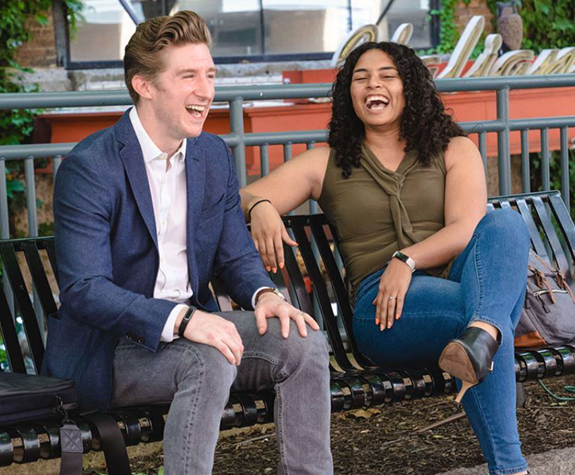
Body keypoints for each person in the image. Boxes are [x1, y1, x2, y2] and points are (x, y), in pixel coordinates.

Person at [42, 11, 333, 475]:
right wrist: (182, 320)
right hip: (111, 350)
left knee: (303, 340)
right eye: (188, 76)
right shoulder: (91, 167)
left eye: (210, 75)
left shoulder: (211, 154)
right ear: (145, 85)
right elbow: (85, 290)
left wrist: (265, 296)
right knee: (208, 359)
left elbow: (234, 253)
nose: (206, 91)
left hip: (196, 333)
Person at [240, 42, 530, 475]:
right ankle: (508, 452)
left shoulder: (453, 149)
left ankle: (481, 335)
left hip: (460, 282)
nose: (373, 84)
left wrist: (406, 259)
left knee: (505, 226)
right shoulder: (326, 163)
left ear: (408, 87)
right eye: (361, 77)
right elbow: (247, 194)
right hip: (385, 310)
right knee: (484, 320)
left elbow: (465, 230)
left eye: (387, 75)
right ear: (349, 95)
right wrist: (259, 206)